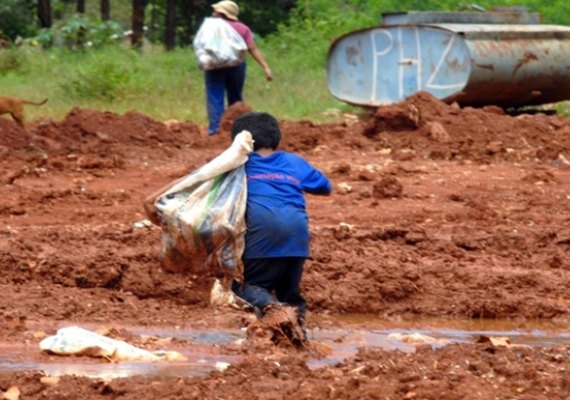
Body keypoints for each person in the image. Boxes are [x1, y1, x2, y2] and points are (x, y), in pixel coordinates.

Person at [230, 112, 332, 325]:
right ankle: (297, 336)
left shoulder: (238, 165)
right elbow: (324, 186)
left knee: (250, 287)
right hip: (297, 241)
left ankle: (273, 310)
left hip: (261, 239)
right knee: (290, 295)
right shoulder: (293, 162)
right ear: (276, 138)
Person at [205, 1, 273, 135]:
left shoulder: (212, 27)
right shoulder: (243, 29)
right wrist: (266, 67)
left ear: (222, 13)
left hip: (214, 66)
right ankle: (237, 130)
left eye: (216, 11)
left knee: (214, 96)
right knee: (235, 98)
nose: (213, 13)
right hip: (237, 67)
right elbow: (252, 48)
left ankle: (215, 130)